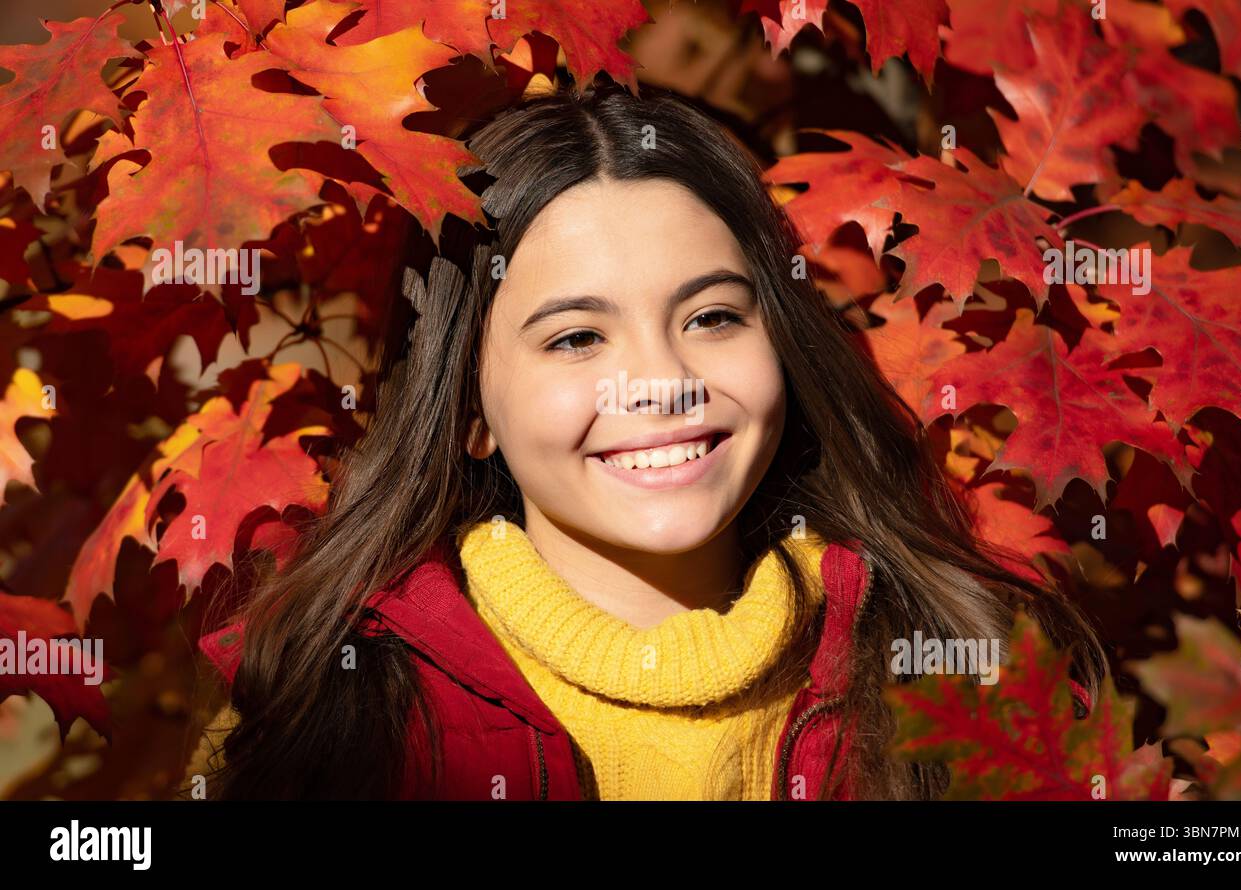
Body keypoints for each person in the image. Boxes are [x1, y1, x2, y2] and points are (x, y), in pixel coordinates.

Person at [180, 81, 1104, 801]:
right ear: (466, 408)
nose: (660, 380)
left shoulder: (958, 665)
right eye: (578, 337)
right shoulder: (325, 714)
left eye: (710, 317)